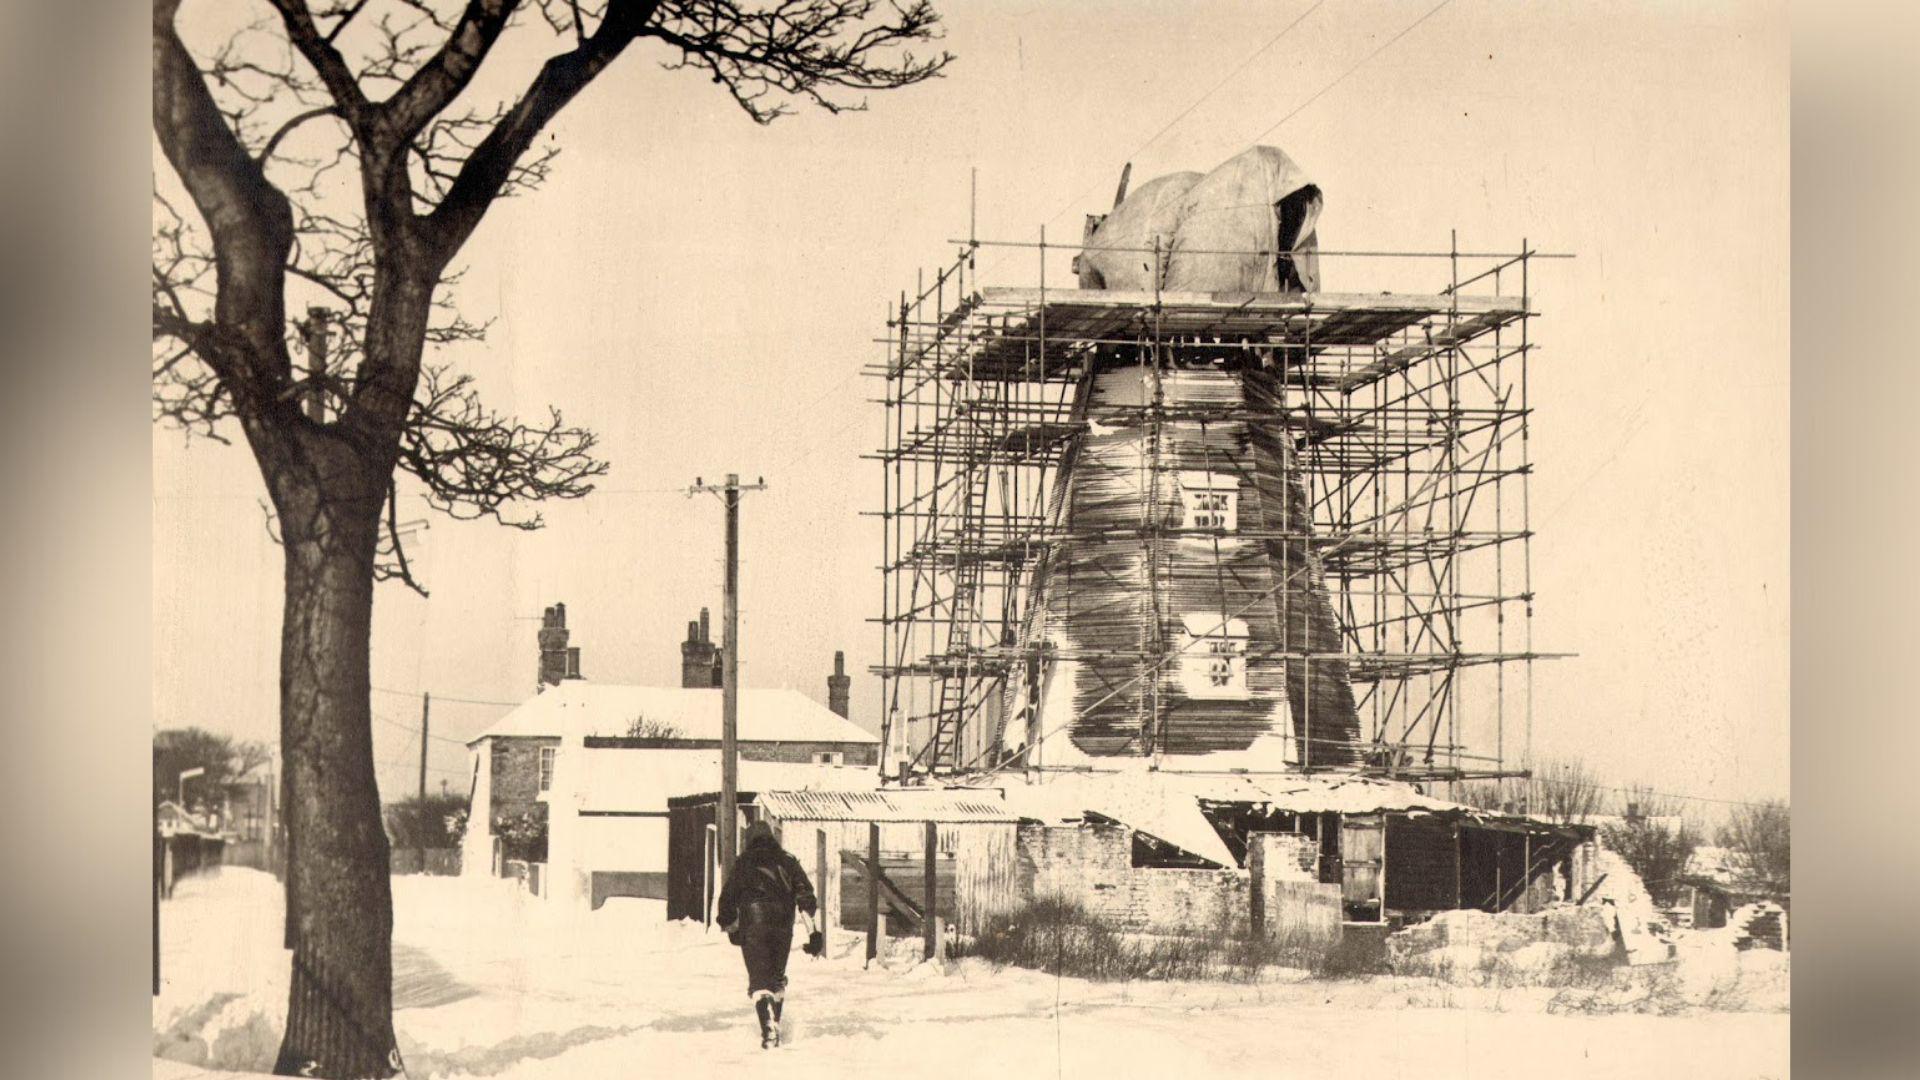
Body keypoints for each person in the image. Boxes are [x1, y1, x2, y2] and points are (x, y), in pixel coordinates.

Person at [716, 821, 820, 1048]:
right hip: (783, 924)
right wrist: (813, 933)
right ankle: (774, 1024)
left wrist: (731, 926)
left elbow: (727, 899)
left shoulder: (744, 862)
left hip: (753, 925)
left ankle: (770, 1032)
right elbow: (805, 896)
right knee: (776, 977)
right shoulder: (788, 861)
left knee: (759, 980)